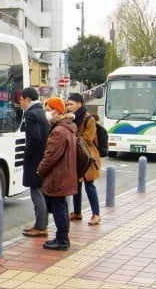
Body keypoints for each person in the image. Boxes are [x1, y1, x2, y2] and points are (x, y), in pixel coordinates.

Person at [36, 97, 78, 250]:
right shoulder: (68, 127)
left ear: (55, 111)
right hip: (65, 173)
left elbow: (50, 156)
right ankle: (62, 237)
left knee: (59, 207)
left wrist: (40, 170)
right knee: (62, 206)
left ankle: (62, 239)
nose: (46, 114)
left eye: (47, 110)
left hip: (58, 175)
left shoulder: (59, 131)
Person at [66, 93, 102, 226]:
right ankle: (77, 212)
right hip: (76, 154)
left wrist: (72, 137)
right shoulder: (70, 118)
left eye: (71, 104)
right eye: (67, 104)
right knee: (76, 184)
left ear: (79, 104)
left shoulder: (89, 119)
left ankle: (96, 214)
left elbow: (88, 138)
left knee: (89, 184)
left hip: (88, 156)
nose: (69, 107)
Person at [19, 87, 49, 238]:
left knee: (36, 192)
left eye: (21, 100)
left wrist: (27, 154)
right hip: (42, 157)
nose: (21, 104)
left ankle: (41, 226)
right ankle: (39, 224)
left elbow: (35, 138)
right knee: (39, 192)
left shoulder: (31, 114)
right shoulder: (41, 111)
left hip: (35, 159)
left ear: (28, 99)